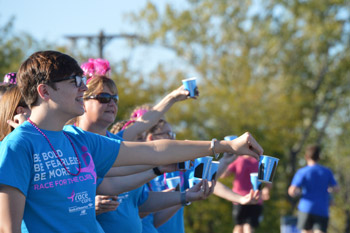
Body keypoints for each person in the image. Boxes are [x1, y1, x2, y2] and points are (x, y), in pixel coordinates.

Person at [0, 50, 263, 232]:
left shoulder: (79, 141)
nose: (83, 87)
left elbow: (154, 151)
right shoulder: (17, 147)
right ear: (44, 91)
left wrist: (223, 146)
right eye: (75, 81)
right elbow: (8, 228)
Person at [288, 145, 339, 233]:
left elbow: (292, 191)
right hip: (322, 209)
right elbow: (336, 188)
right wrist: (328, 190)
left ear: (306, 156)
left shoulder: (302, 172)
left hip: (305, 208)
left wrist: (298, 192)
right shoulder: (327, 171)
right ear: (319, 157)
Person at [220, 154, 271, 233]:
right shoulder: (261, 161)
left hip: (239, 198)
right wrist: (266, 189)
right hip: (256, 198)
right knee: (248, 227)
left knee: (239, 226)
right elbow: (268, 182)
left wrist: (224, 162)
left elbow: (223, 175)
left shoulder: (237, 159)